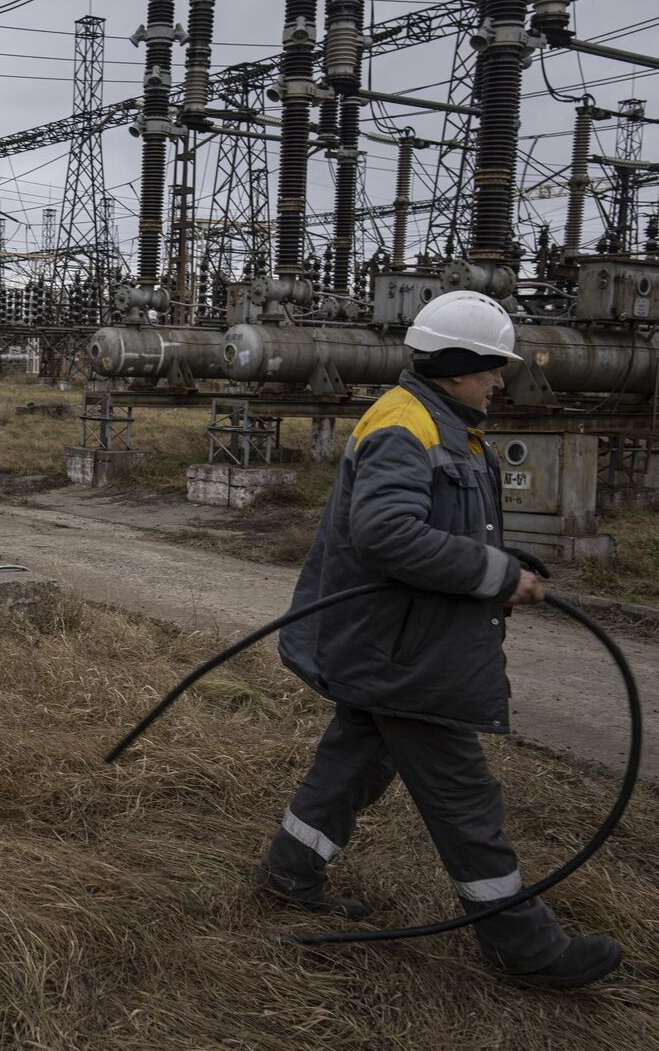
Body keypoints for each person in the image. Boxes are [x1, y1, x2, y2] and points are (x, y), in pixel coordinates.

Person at [256, 289, 623, 989]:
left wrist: (515, 566)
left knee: (353, 765)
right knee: (466, 800)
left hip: (390, 644)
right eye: (492, 367)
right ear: (457, 366)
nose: (500, 380)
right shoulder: (406, 425)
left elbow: (443, 526)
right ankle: (527, 949)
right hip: (404, 655)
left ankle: (288, 872)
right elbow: (389, 533)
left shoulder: (440, 421)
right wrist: (494, 574)